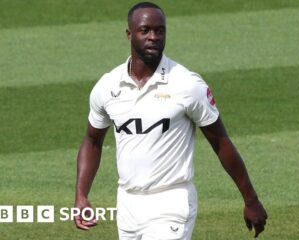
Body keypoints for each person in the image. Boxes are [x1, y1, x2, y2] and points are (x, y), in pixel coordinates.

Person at [74, 2, 267, 239]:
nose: (153, 37)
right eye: (145, 30)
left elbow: (221, 142)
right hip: (127, 204)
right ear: (129, 34)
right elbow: (92, 141)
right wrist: (81, 194)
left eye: (160, 30)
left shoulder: (187, 84)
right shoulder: (107, 86)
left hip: (172, 201)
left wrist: (251, 199)